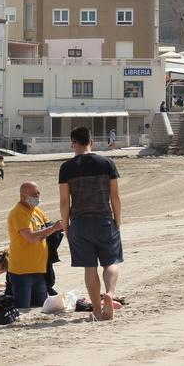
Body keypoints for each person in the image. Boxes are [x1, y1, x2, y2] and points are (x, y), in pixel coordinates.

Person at [58, 127, 122, 321]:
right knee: (110, 262)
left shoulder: (67, 168)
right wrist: (117, 220)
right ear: (91, 142)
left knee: (90, 267)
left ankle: (96, 310)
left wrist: (66, 225)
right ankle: (109, 293)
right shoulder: (107, 163)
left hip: (79, 222)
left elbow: (64, 201)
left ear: (73, 142)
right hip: (104, 220)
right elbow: (115, 196)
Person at [6, 181, 63, 309]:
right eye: (34, 194)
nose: (37, 196)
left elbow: (48, 228)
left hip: (39, 269)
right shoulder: (18, 213)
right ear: (23, 195)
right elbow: (31, 237)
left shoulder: (36, 210)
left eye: (38, 193)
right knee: (23, 308)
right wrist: (54, 228)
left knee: (40, 307)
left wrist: (59, 227)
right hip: (22, 271)